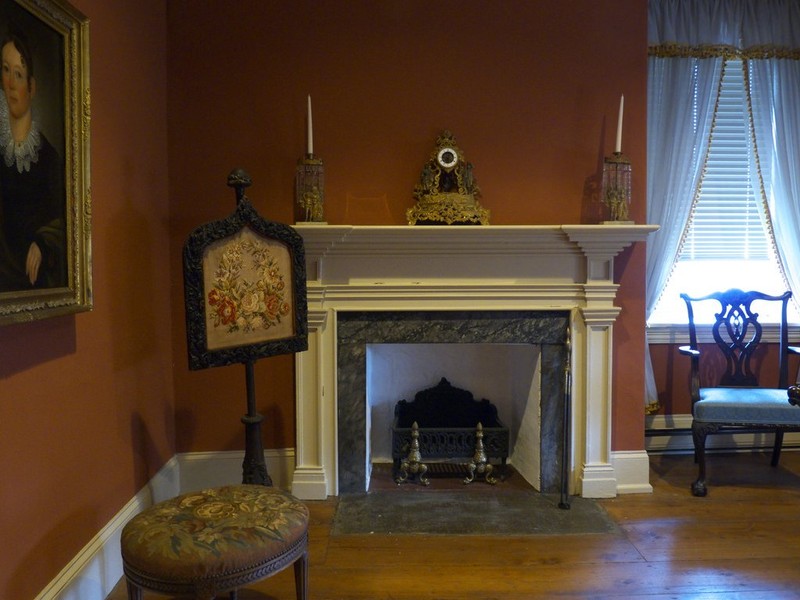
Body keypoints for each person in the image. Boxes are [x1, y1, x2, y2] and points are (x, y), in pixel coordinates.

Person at [0, 28, 65, 291]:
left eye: (19, 74)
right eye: (5, 70)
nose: (11, 83)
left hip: (33, 283)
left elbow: (66, 221)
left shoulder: (49, 158)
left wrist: (43, 242)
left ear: (32, 86)